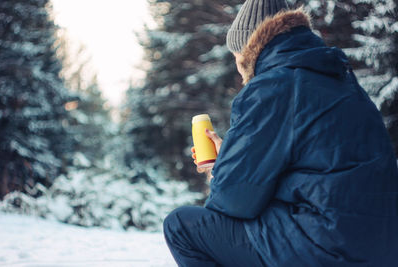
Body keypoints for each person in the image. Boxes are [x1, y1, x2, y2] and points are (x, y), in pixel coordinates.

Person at [163, 0, 398, 266]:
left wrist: (224, 169)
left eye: (236, 56)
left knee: (181, 226)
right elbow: (319, 173)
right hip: (381, 247)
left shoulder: (272, 86)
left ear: (247, 51)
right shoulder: (343, 82)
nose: (238, 69)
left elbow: (233, 201)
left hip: (326, 248)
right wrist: (229, 161)